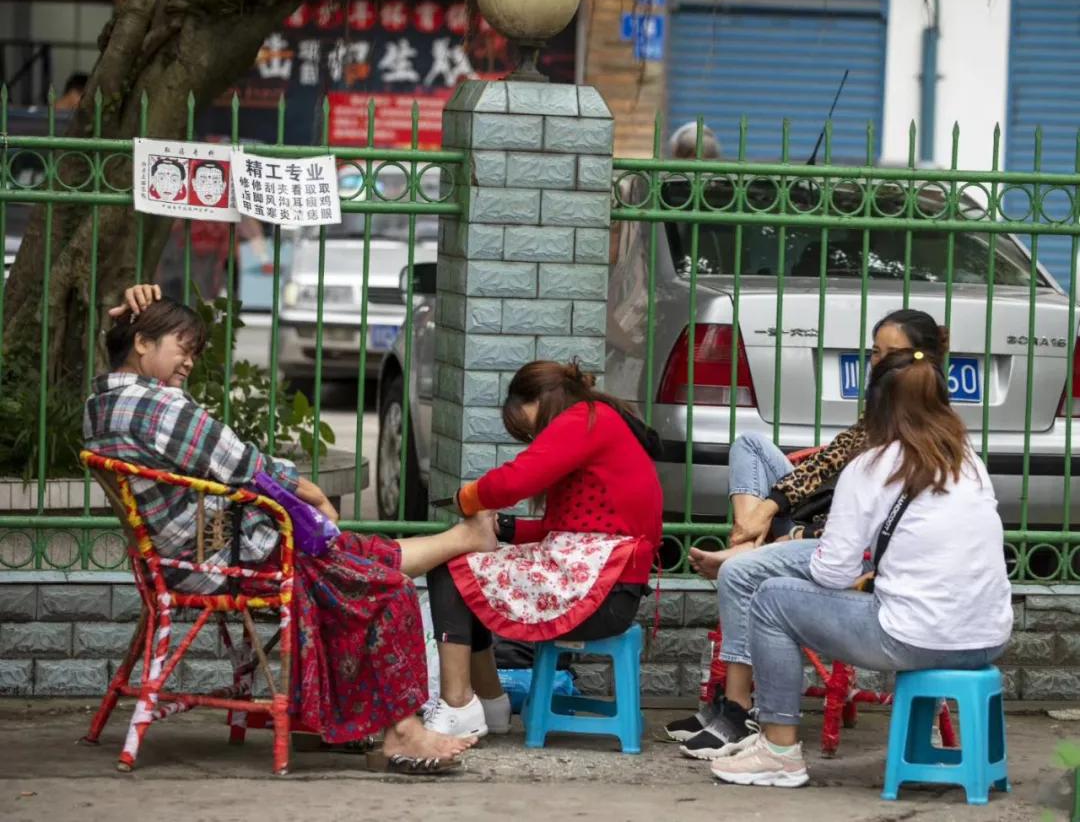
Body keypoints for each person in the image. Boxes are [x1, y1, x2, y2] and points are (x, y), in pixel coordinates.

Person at [83, 284, 491, 774]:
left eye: (192, 353)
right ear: (142, 343)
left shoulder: (101, 405)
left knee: (351, 556)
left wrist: (132, 320)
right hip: (218, 559)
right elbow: (241, 461)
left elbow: (220, 458)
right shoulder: (158, 408)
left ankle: (463, 540)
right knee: (384, 588)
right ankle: (402, 731)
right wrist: (312, 493)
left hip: (185, 556)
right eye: (182, 349)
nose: (188, 363)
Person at [710, 347, 1012, 787]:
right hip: (988, 638)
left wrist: (793, 545)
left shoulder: (872, 466)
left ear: (876, 404)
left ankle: (778, 750)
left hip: (915, 637)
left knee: (771, 599)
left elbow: (832, 573)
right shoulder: (969, 463)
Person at [669, 309, 949, 755]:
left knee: (741, 577)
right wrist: (765, 510)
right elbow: (825, 464)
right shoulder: (883, 420)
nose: (875, 363)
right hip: (820, 527)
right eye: (874, 352)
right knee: (750, 445)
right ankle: (747, 543)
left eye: (886, 354)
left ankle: (738, 710)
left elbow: (868, 531)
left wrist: (795, 538)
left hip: (848, 547)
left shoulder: (916, 438)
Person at [422, 360, 663, 738]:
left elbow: (514, 481)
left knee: (449, 570)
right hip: (611, 589)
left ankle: (457, 704)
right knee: (469, 576)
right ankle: (490, 704)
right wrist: (506, 528)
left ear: (538, 399)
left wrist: (466, 499)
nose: (533, 435)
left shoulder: (583, 420)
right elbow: (575, 529)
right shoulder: (599, 421)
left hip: (603, 594)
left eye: (526, 423)